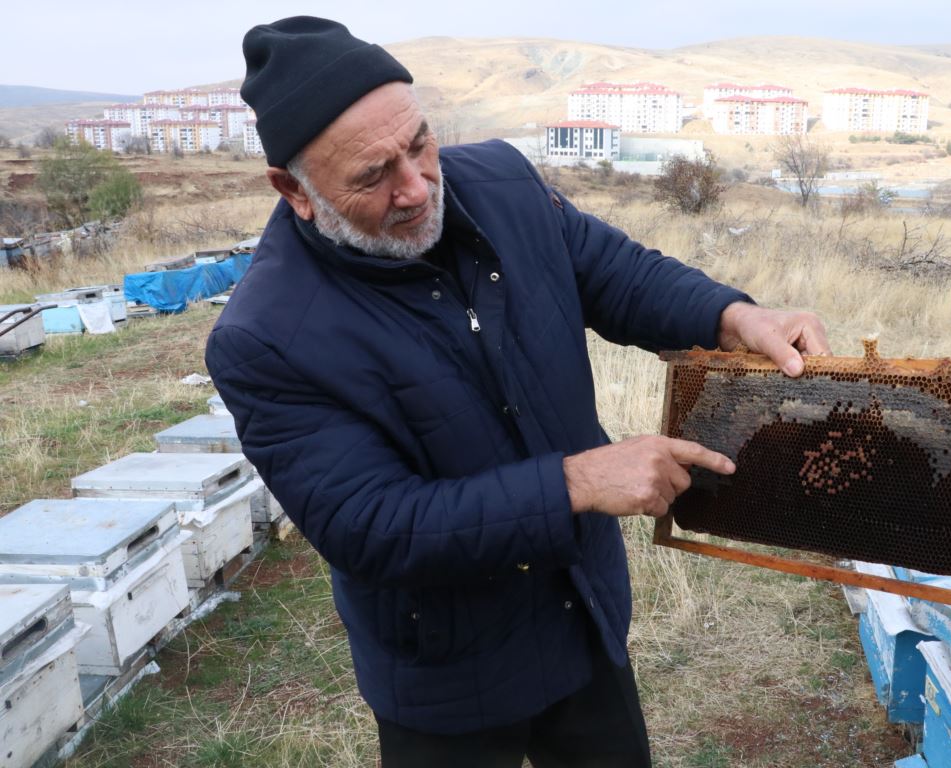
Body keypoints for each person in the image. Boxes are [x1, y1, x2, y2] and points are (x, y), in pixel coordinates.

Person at [205, 16, 830, 767]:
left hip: (581, 616)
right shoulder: (265, 336)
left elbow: (615, 274)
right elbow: (370, 525)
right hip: (444, 676)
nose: (416, 188)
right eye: (373, 176)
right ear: (294, 191)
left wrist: (734, 316)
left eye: (420, 144)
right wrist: (576, 482)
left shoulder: (502, 181)